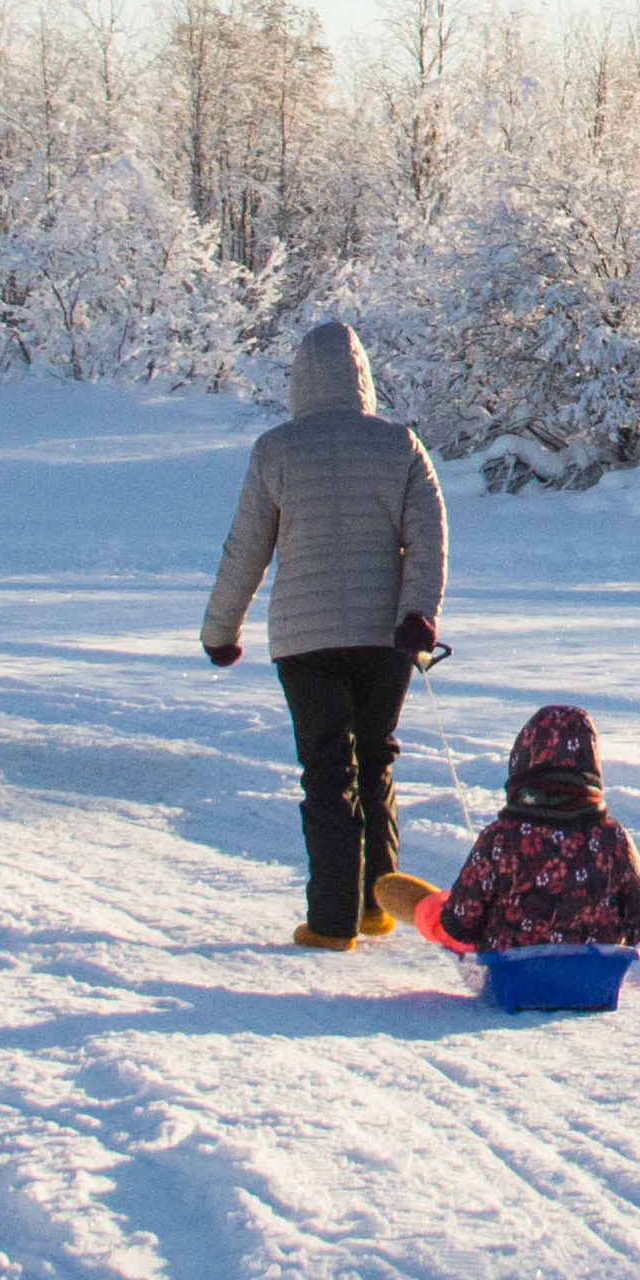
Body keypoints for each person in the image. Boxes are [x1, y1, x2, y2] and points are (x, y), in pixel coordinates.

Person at [201, 320, 445, 950]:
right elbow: (428, 538)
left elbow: (245, 549)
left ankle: (332, 920)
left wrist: (221, 630)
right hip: (383, 637)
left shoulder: (277, 450)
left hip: (304, 642)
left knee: (326, 769)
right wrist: (417, 611)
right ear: (363, 377)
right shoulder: (400, 445)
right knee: (376, 759)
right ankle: (374, 903)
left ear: (299, 382)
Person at [391, 703, 640, 953]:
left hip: (512, 970)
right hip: (596, 975)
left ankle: (423, 907)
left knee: (446, 919)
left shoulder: (501, 838)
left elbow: (463, 923)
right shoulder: (612, 837)